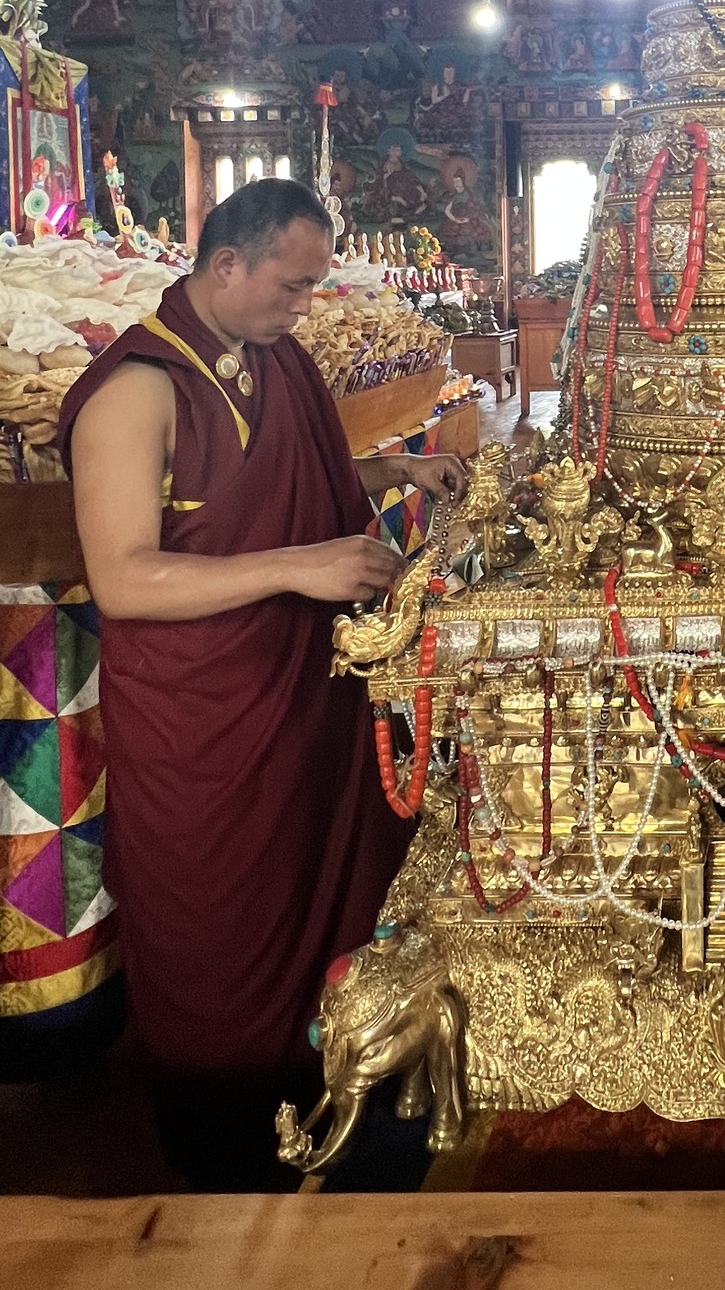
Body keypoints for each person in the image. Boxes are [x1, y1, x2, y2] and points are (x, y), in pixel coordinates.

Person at [59, 180, 467, 1182]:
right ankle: (224, 1149)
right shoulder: (136, 390)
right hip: (201, 721)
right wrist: (299, 567)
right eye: (291, 285)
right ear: (226, 264)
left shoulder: (275, 358)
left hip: (300, 697)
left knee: (317, 888)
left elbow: (286, 478)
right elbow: (124, 577)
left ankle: (332, 1088)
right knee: (218, 931)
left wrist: (396, 474)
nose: (303, 306)